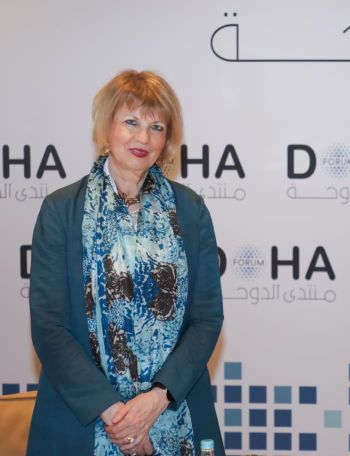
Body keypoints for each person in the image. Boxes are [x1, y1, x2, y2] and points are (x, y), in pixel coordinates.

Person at [27, 70, 225, 456]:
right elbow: (49, 326)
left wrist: (155, 401)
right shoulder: (61, 210)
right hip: (83, 423)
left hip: (174, 415)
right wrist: (119, 418)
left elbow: (206, 319)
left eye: (156, 127)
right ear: (106, 128)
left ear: (167, 139)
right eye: (131, 122)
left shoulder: (190, 210)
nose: (143, 138)